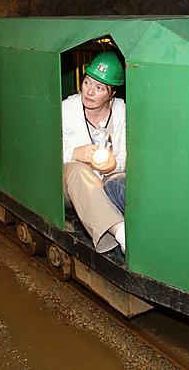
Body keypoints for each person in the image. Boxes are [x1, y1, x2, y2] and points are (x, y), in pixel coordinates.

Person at [62, 51, 127, 254]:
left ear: (112, 93)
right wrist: (74, 153)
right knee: (78, 170)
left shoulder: (120, 110)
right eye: (87, 82)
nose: (89, 91)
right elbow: (41, 151)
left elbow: (126, 154)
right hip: (67, 186)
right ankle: (121, 232)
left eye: (99, 87)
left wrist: (114, 165)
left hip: (106, 181)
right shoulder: (66, 109)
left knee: (123, 181)